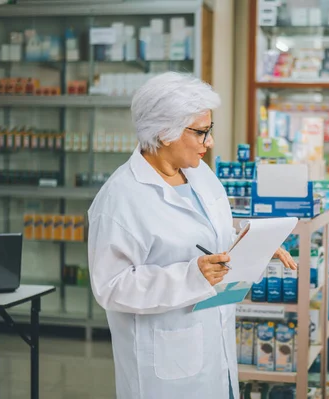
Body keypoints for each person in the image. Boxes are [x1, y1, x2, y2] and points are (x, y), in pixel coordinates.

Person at [87, 72, 297, 399]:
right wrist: (190, 276)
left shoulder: (200, 174)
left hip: (216, 346)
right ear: (164, 132)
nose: (209, 142)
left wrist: (250, 245)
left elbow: (211, 234)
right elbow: (110, 287)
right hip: (165, 363)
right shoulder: (120, 199)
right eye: (201, 132)